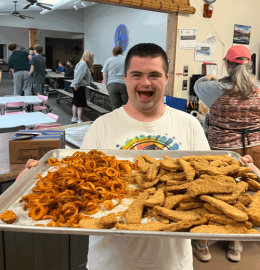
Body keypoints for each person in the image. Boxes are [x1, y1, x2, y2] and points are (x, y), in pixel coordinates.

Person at [80, 43, 210, 270]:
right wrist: (37, 177)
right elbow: (78, 187)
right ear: (125, 78)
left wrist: (243, 176)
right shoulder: (101, 127)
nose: (145, 82)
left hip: (171, 262)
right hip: (110, 262)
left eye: (154, 75)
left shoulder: (189, 125)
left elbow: (208, 185)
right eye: (137, 75)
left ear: (167, 78)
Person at [193, 44, 260, 262]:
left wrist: (210, 77)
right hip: (254, 149)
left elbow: (197, 85)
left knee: (213, 195)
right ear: (249, 63)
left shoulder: (214, 88)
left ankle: (203, 244)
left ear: (227, 63)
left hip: (222, 151)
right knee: (243, 194)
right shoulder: (259, 89)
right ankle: (235, 244)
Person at [70, 50, 94, 124]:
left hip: (77, 85)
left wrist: (94, 84)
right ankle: (80, 120)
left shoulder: (82, 63)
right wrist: (76, 85)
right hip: (79, 86)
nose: (92, 60)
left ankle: (74, 117)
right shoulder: (83, 64)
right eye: (92, 58)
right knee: (80, 104)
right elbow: (79, 76)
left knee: (75, 102)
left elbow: (88, 77)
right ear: (88, 57)